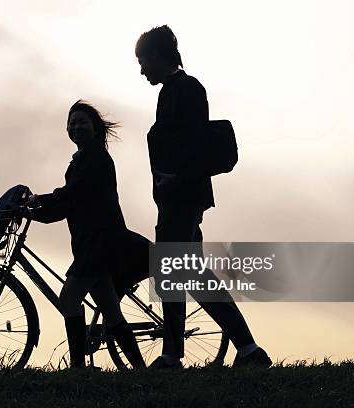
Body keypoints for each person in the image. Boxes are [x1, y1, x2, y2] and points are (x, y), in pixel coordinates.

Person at [135, 25, 272, 369]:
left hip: (181, 196)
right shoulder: (174, 91)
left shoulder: (187, 89)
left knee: (172, 270)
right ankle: (248, 349)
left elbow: (193, 141)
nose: (141, 70)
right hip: (178, 197)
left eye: (143, 61)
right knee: (192, 275)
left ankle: (171, 355)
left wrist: (173, 176)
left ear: (156, 57)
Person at [27, 100, 145, 369]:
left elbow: (73, 194)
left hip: (99, 242)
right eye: (72, 123)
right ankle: (140, 371)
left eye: (82, 122)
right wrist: (35, 214)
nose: (76, 127)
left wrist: (39, 200)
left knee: (68, 300)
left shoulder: (94, 157)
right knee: (112, 314)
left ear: (95, 128)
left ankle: (78, 370)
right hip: (94, 242)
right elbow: (70, 205)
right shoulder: (84, 158)